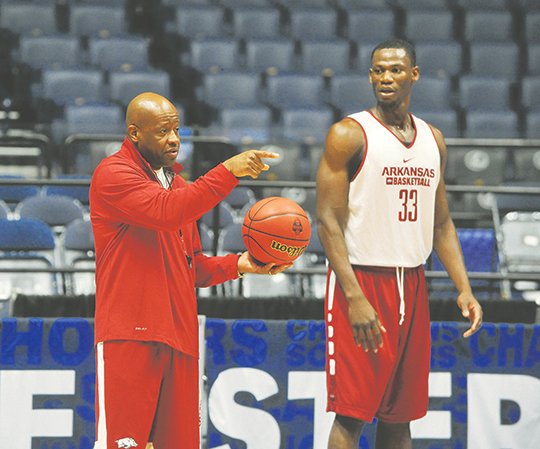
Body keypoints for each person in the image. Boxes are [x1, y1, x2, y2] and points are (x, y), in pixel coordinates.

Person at [89, 92, 290, 449]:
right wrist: (228, 171)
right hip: (130, 335)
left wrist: (240, 264)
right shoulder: (113, 174)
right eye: (163, 131)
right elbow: (167, 212)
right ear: (135, 133)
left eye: (177, 130)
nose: (174, 139)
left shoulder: (179, 187)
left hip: (180, 338)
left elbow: (192, 268)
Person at [315, 39, 483, 449]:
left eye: (394, 69)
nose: (385, 77)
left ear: (414, 74)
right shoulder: (348, 134)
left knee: (400, 418)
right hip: (362, 281)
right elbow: (327, 221)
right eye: (377, 70)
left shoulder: (432, 139)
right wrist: (354, 297)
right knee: (352, 415)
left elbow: (441, 222)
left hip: (413, 281)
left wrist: (464, 287)